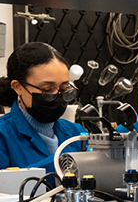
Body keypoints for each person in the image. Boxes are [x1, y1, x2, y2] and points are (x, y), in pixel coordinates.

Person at [0, 42, 87, 172]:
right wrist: (61, 162)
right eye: (48, 89)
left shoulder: (76, 133)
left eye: (64, 88)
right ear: (18, 87)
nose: (57, 96)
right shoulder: (3, 135)